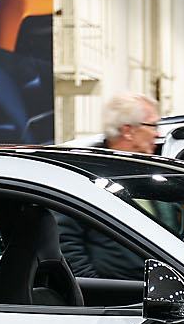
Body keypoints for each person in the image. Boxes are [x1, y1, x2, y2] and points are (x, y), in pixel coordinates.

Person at [59, 92, 173, 280]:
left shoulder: (147, 174)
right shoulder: (85, 176)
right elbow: (67, 244)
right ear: (128, 131)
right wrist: (97, 289)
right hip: (115, 299)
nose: (157, 133)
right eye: (152, 125)